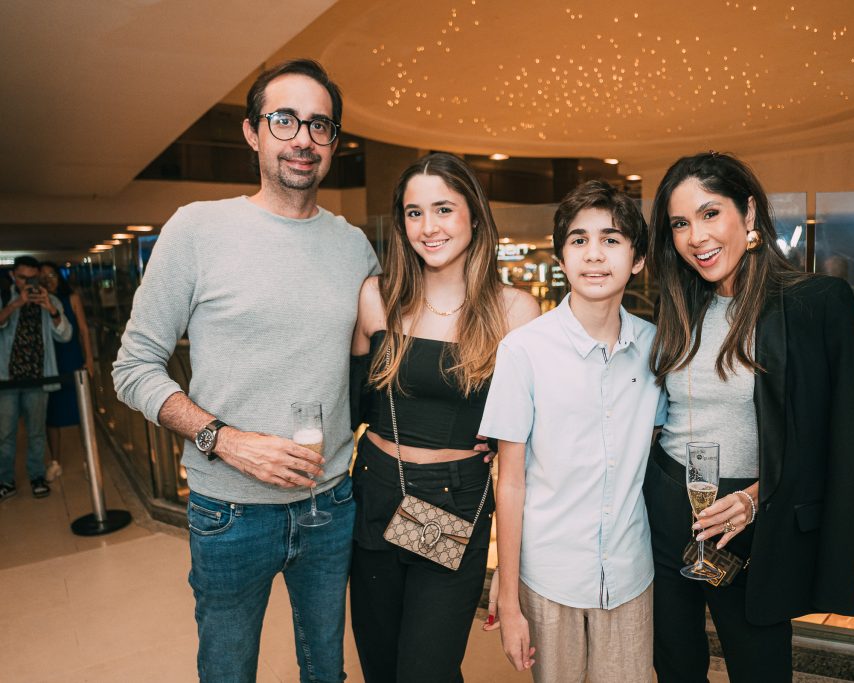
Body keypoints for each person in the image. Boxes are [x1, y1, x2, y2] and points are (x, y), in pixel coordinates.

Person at [112, 59, 380, 682]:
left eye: (320, 125)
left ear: (333, 142)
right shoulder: (198, 229)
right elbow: (133, 367)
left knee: (326, 671)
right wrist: (223, 440)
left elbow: (385, 361)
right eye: (284, 120)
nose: (302, 139)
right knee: (229, 671)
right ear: (253, 133)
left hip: (331, 500)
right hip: (228, 512)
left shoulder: (353, 246)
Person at [644, 152, 854, 683]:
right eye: (680, 223)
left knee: (760, 669)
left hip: (750, 515)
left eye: (709, 213)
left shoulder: (816, 302)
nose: (695, 236)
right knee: (675, 665)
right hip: (668, 504)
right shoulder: (677, 305)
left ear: (748, 214)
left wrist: (753, 499)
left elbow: (835, 440)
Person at [348, 152, 539, 683]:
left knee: (425, 672)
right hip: (375, 492)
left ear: (474, 217)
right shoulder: (377, 296)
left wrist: (510, 581)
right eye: (413, 212)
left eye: (443, 209)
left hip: (455, 502)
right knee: (382, 669)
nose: (428, 227)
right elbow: (349, 405)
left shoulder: (513, 311)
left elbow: (523, 454)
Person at [480, 180, 667, 682]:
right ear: (562, 259)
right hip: (549, 578)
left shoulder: (657, 350)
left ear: (638, 258)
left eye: (611, 239)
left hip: (630, 575)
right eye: (579, 241)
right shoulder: (523, 351)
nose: (594, 255)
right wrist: (510, 597)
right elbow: (511, 481)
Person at [0, 256, 72, 501]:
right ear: (13, 276)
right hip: (7, 379)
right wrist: (15, 305)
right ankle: (5, 481)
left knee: (36, 432)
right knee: (5, 434)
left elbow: (65, 334)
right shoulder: (4, 298)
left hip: (39, 378)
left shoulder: (48, 300)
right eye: (23, 278)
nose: (28, 283)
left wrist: (51, 310)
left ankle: (37, 476)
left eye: (33, 278)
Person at [40, 262, 95, 481]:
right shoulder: (40, 302)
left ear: (59, 276)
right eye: (43, 277)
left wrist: (89, 359)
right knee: (51, 414)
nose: (49, 280)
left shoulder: (71, 298)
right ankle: (55, 461)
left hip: (71, 357)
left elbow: (82, 330)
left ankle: (88, 458)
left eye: (52, 275)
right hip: (50, 360)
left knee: (81, 411)